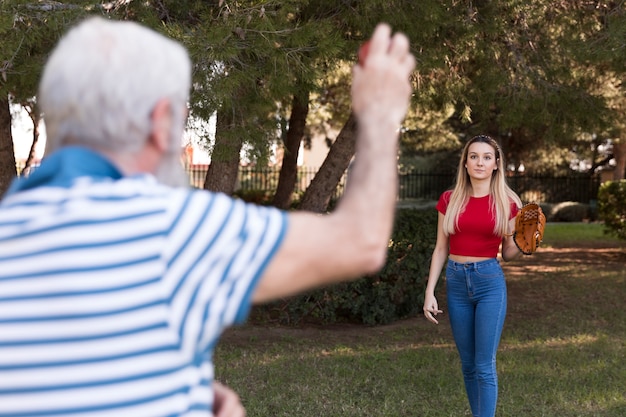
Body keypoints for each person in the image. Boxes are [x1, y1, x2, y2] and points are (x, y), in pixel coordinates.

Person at [0, 17, 415, 417]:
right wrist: (380, 116)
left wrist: (173, 390)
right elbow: (360, 240)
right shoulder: (167, 229)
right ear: (161, 122)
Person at [422, 134, 523, 417]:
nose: (480, 162)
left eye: (487, 157)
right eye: (474, 156)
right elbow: (440, 249)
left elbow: (509, 252)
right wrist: (430, 291)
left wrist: (526, 243)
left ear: (496, 164)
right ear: (465, 163)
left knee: (484, 364)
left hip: (489, 281)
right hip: (455, 282)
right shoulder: (449, 199)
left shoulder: (507, 202)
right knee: (468, 364)